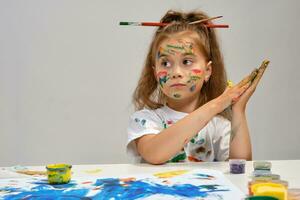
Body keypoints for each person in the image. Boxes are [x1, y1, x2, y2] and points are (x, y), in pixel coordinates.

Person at [127, 10, 267, 164]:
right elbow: (154, 154)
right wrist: (218, 103)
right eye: (165, 63)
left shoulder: (218, 125)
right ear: (155, 73)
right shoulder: (146, 120)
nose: (175, 72)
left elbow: (241, 165)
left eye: (186, 62)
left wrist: (238, 109)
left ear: (207, 71)